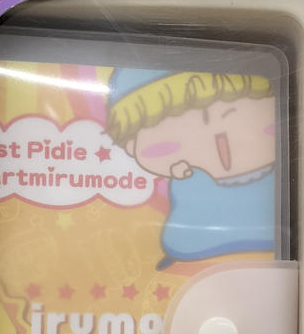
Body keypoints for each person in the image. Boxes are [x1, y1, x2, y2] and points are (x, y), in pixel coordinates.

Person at [107, 66, 277, 267]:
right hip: (193, 253)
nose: (217, 129)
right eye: (167, 120)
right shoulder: (190, 181)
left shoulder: (277, 181)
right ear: (130, 145)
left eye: (233, 111)